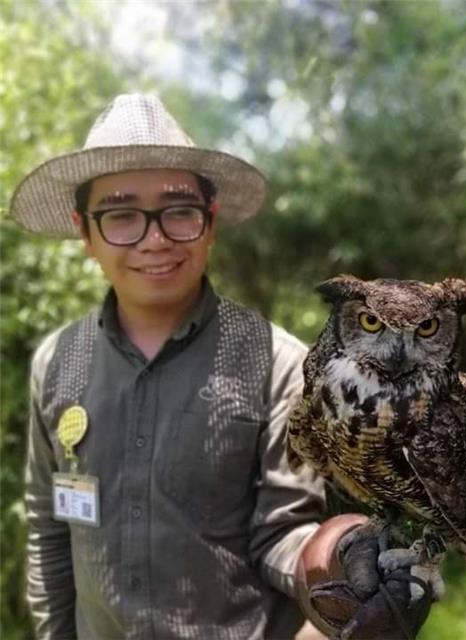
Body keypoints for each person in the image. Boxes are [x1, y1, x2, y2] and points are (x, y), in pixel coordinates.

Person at [11, 93, 432, 639]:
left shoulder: (280, 366)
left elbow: (280, 533)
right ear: (85, 233)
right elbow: (50, 526)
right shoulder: (57, 362)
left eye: (179, 211)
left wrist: (345, 558)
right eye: (120, 215)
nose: (154, 239)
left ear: (210, 222)